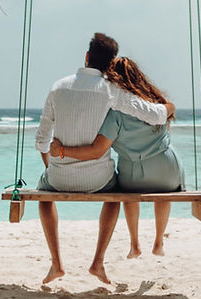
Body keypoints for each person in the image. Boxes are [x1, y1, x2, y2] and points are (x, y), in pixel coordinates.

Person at [34, 34, 175, 285]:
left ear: (86, 57)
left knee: (44, 197)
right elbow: (155, 116)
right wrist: (168, 108)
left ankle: (56, 264)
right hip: (99, 180)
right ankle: (98, 262)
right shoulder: (112, 91)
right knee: (114, 197)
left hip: (58, 177)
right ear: (111, 65)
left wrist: (54, 164)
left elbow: (41, 140)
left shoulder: (58, 87)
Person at [50, 57, 184, 260]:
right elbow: (169, 108)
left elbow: (96, 150)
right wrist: (169, 107)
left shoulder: (114, 113)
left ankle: (135, 244)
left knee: (127, 193)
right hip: (168, 171)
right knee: (163, 194)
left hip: (133, 176)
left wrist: (62, 151)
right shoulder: (155, 106)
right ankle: (158, 242)